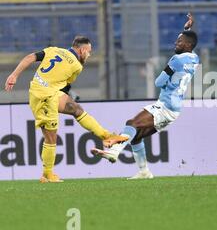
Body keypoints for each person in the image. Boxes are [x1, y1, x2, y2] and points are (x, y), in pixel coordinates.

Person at [91, 13, 199, 180]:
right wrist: (187, 29)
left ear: (187, 44)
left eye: (179, 41)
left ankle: (114, 151)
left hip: (165, 105)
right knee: (136, 136)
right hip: (175, 108)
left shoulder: (176, 60)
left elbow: (158, 82)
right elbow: (189, 41)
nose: (176, 43)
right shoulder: (194, 58)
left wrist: (166, 81)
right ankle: (144, 172)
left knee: (131, 124)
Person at [4, 36, 127, 183]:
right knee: (51, 137)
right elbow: (66, 87)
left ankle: (107, 136)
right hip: (44, 97)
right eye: (88, 52)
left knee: (75, 109)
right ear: (81, 50)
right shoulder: (76, 66)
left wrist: (14, 75)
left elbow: (31, 57)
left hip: (46, 91)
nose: (89, 55)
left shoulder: (54, 50)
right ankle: (47, 174)